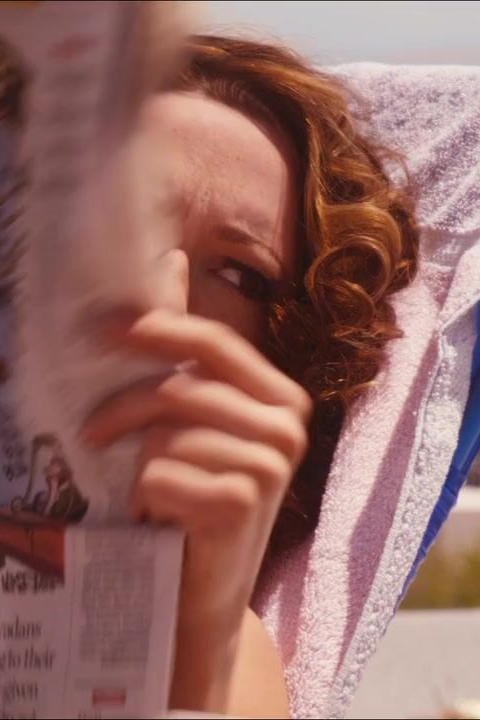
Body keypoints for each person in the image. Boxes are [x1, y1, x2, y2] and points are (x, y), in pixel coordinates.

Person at [78, 37, 418, 716]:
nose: (165, 301)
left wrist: (204, 641)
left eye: (240, 276)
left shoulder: (226, 654)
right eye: (121, 228)